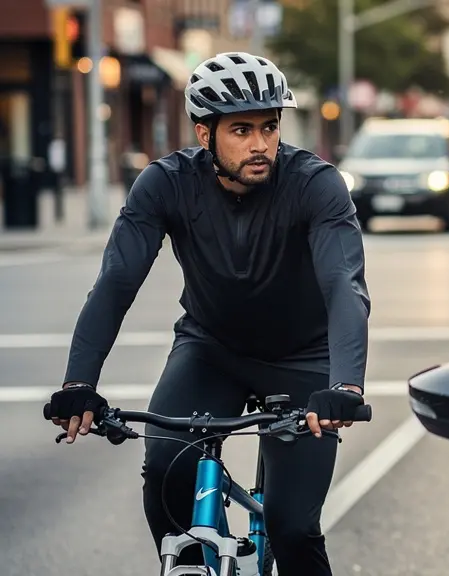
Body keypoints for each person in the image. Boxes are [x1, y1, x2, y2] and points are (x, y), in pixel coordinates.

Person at [43, 52, 369, 576]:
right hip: (210, 350)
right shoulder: (165, 184)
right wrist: (79, 381)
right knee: (165, 474)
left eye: (269, 126)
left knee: (291, 526)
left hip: (305, 359)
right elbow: (116, 283)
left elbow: (344, 285)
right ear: (204, 134)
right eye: (242, 129)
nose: (261, 143)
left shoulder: (316, 184)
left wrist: (346, 387)